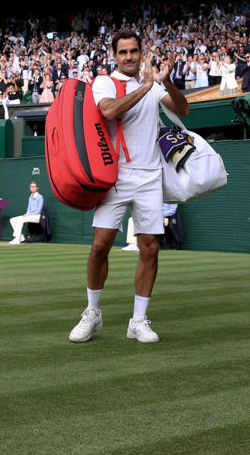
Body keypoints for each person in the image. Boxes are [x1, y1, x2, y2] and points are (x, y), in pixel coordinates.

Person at [68, 30, 189, 344]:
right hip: (115, 177)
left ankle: (138, 320)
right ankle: (93, 313)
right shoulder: (106, 81)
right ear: (115, 55)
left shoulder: (154, 82)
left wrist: (168, 82)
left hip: (150, 177)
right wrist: (147, 86)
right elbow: (108, 110)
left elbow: (182, 110)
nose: (129, 57)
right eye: (123, 52)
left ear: (140, 51)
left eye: (134, 51)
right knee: (100, 246)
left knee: (149, 249)